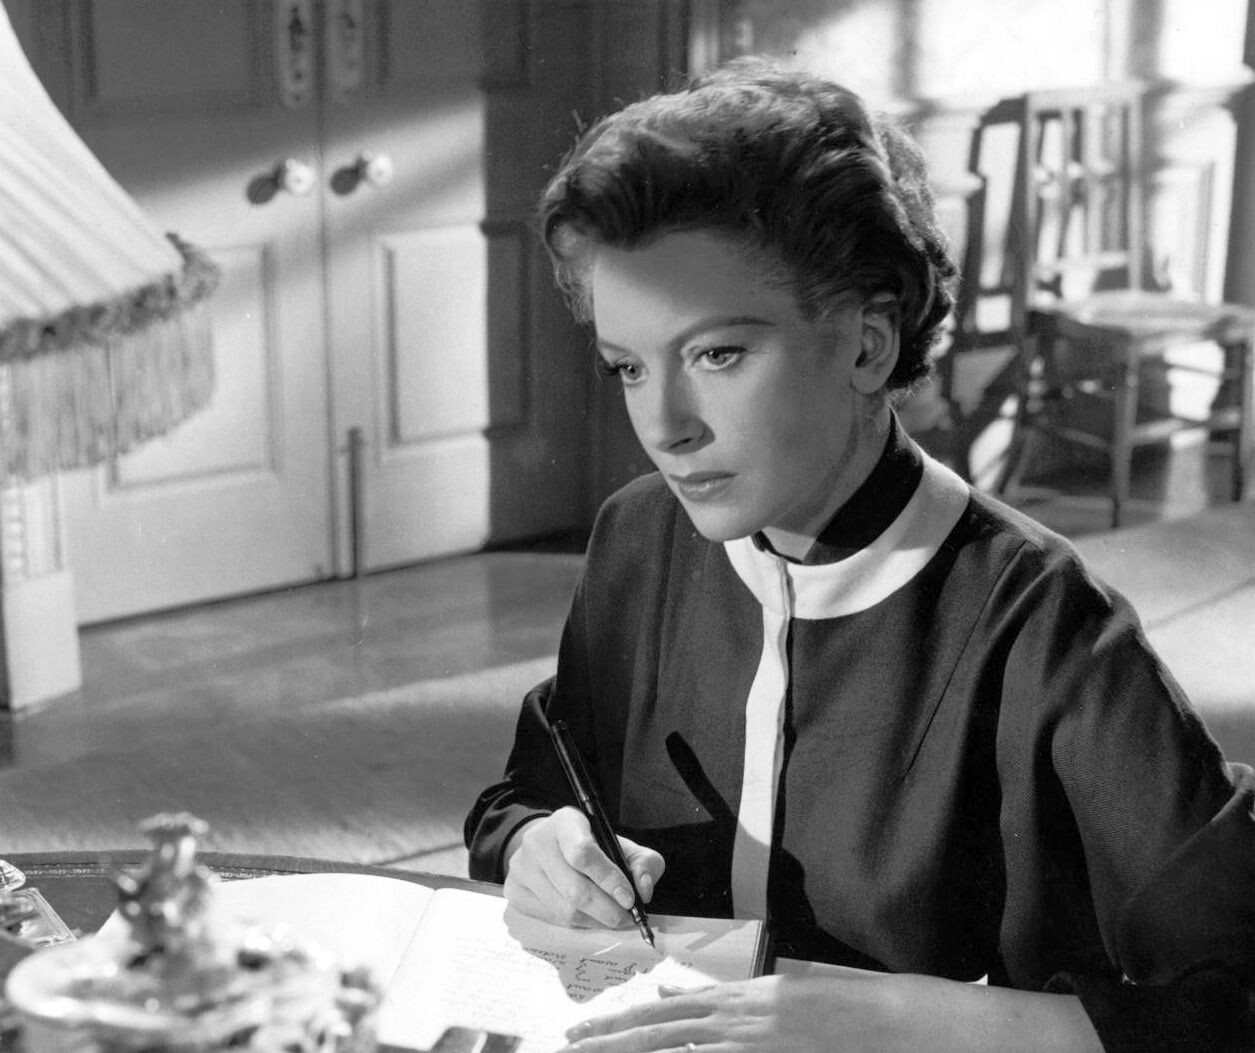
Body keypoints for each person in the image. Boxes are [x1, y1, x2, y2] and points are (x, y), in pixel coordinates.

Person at [463, 58, 1255, 1052]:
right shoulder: (637, 537)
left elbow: (1232, 998)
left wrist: (911, 1019)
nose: (664, 426)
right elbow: (530, 794)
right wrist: (539, 848)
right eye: (627, 366)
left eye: (716, 354)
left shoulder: (1044, 624)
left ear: (867, 345)